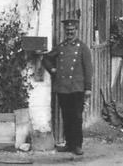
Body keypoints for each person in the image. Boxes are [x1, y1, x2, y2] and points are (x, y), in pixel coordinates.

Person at [44, 18, 93, 155]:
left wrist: (88, 88)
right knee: (66, 116)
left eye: (72, 30)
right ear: (64, 31)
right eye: (67, 31)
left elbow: (88, 69)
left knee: (77, 117)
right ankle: (69, 144)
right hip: (63, 88)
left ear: (76, 31)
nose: (70, 32)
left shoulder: (83, 48)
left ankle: (77, 145)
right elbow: (46, 58)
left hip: (77, 88)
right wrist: (52, 70)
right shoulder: (61, 47)